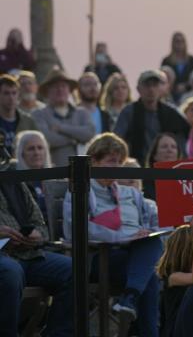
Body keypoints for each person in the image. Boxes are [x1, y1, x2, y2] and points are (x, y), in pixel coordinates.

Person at [63, 133, 162, 334]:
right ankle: (132, 303)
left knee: (153, 243)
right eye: (110, 161)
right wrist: (122, 237)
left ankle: (129, 299)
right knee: (149, 276)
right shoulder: (80, 190)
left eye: (119, 161)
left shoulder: (129, 192)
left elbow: (152, 220)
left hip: (132, 257)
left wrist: (148, 231)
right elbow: (76, 230)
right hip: (98, 259)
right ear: (94, 162)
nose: (116, 166)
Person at [0, 148, 73, 337]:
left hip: (27, 253)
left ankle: (58, 334)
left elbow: (39, 223)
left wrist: (36, 235)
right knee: (10, 272)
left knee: (74, 269)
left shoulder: (12, 179)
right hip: (4, 257)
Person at [113, 69, 190, 166]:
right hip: (136, 169)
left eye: (155, 85)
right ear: (138, 89)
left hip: (166, 170)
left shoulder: (172, 113)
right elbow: (117, 140)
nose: (151, 89)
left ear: (160, 88)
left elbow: (182, 141)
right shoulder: (128, 112)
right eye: (147, 85)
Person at [32, 68, 96, 166]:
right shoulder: (39, 114)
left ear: (69, 90)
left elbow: (90, 133)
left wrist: (61, 128)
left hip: (83, 171)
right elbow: (47, 139)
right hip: (54, 172)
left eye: (63, 86)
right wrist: (75, 139)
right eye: (55, 86)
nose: (60, 89)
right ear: (47, 91)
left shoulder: (82, 112)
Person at [13, 130, 52, 223]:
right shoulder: (15, 182)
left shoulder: (57, 178)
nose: (36, 152)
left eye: (40, 148)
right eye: (31, 148)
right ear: (21, 153)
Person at [0, 75, 35, 159]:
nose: (11, 97)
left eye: (14, 93)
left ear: (18, 95)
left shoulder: (28, 121)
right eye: (6, 93)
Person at [76, 71, 112, 136]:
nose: (92, 88)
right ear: (79, 88)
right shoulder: (72, 113)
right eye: (87, 84)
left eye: (95, 84)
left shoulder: (105, 116)